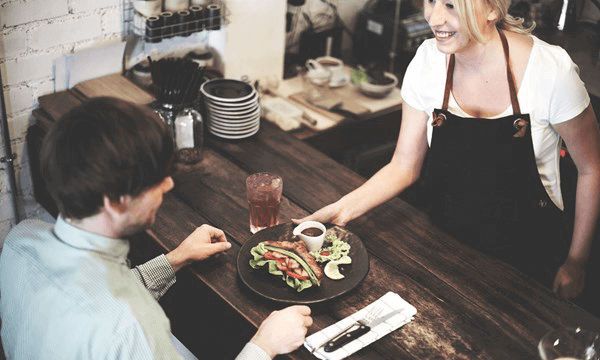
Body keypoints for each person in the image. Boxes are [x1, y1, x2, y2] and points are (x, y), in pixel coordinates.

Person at [297, 0, 600, 300]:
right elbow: (404, 164)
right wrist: (342, 208)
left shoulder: (549, 71)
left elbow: (592, 168)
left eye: (452, 5)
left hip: (530, 257)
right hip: (446, 243)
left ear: (492, 10)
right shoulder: (428, 62)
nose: (434, 18)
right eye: (431, 1)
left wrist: (576, 263)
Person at [0, 97, 312, 359]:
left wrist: (176, 258)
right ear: (115, 201)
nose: (168, 184)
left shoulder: (21, 238)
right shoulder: (130, 330)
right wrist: (264, 346)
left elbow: (99, 291)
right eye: (155, 178)